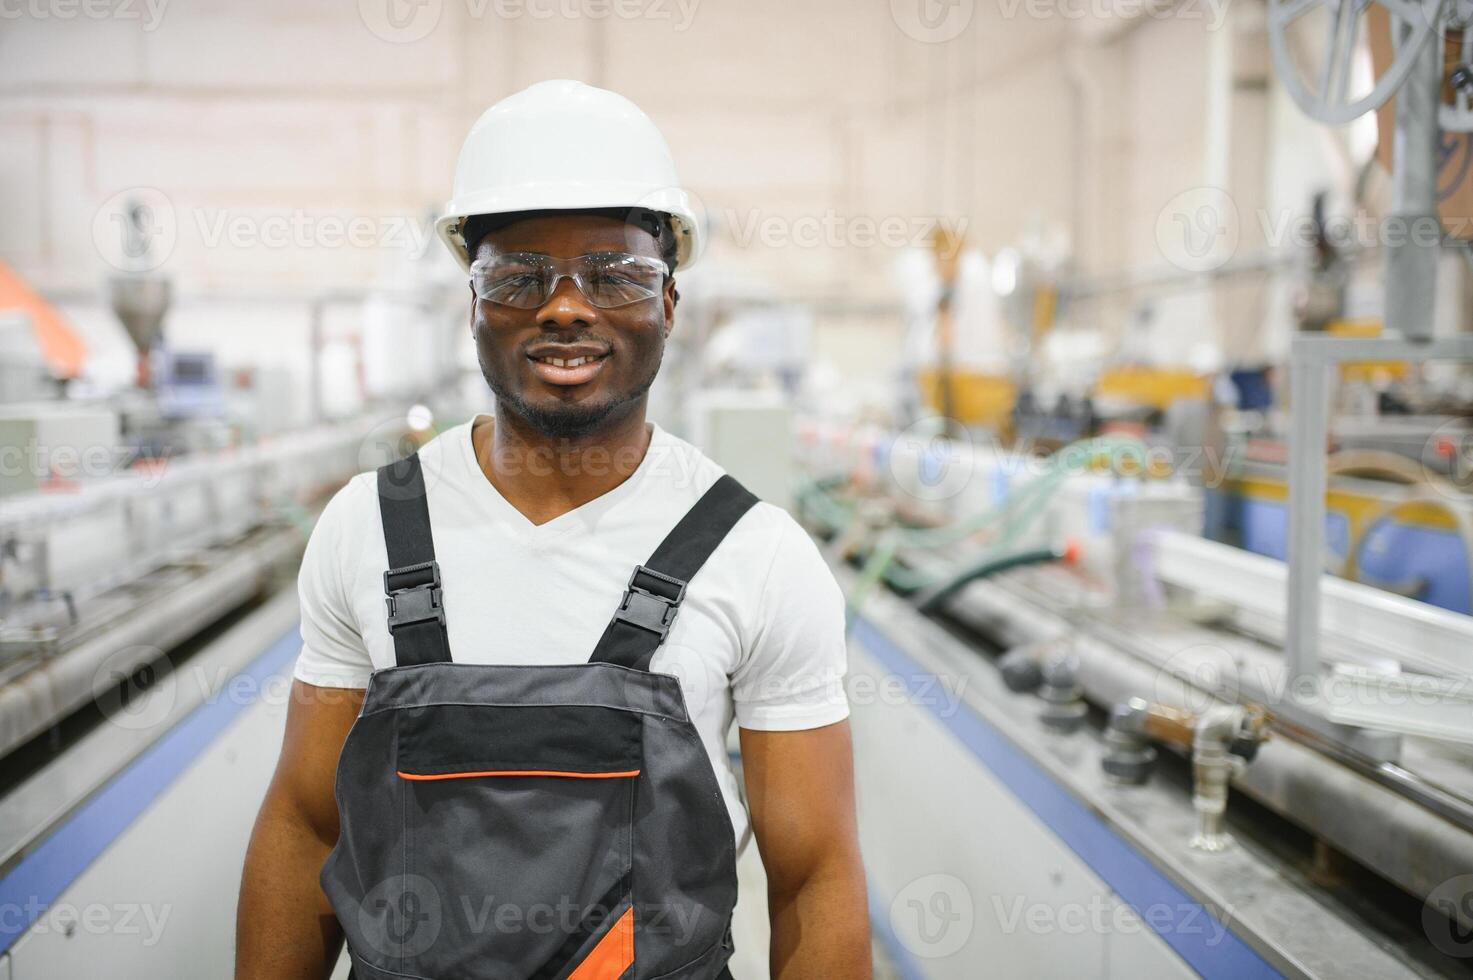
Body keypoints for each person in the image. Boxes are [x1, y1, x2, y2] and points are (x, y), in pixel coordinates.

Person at [236, 79, 870, 979]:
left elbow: (815, 876)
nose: (565, 306)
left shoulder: (755, 555)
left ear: (671, 304)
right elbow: (304, 824)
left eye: (615, 274)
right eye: (519, 275)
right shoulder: (366, 531)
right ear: (471, 303)